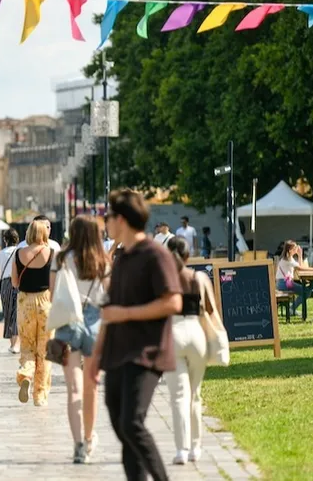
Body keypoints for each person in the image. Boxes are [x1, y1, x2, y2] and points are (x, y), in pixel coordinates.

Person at [96, 189, 182, 481]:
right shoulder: (123, 257)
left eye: (107, 217)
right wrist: (96, 357)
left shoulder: (155, 254)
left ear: (120, 219)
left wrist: (126, 314)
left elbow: (173, 302)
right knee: (122, 426)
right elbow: (111, 311)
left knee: (132, 423)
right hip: (117, 353)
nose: (105, 222)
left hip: (146, 352)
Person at [51, 215, 109, 464]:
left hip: (68, 322)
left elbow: (54, 293)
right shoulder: (102, 261)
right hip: (94, 322)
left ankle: (77, 445)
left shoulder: (61, 259)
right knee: (91, 388)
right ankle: (88, 438)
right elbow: (109, 298)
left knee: (73, 389)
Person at [164, 236, 216, 465]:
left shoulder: (162, 280)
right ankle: (196, 447)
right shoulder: (199, 277)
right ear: (188, 255)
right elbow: (212, 308)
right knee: (195, 395)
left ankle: (181, 450)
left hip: (173, 333)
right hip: (196, 333)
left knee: (178, 397)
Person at [12, 218, 55, 406]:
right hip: (45, 301)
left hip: (25, 301)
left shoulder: (18, 253)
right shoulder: (52, 254)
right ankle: (40, 395)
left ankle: (26, 374)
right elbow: (54, 286)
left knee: (27, 344)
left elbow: (14, 282)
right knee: (44, 350)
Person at [0, 229, 21, 354]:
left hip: (5, 283)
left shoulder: (1, 253)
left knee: (8, 311)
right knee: (17, 312)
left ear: (5, 240)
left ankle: (13, 343)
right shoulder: (19, 251)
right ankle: (16, 343)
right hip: (19, 283)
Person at [276, 241, 313, 315]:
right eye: (295, 248)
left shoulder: (288, 258)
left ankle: (292, 308)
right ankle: (292, 309)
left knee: (306, 291)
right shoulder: (287, 260)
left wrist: (300, 255)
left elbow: (300, 265)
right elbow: (301, 268)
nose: (297, 249)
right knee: (307, 292)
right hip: (285, 284)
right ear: (290, 250)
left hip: (283, 283)